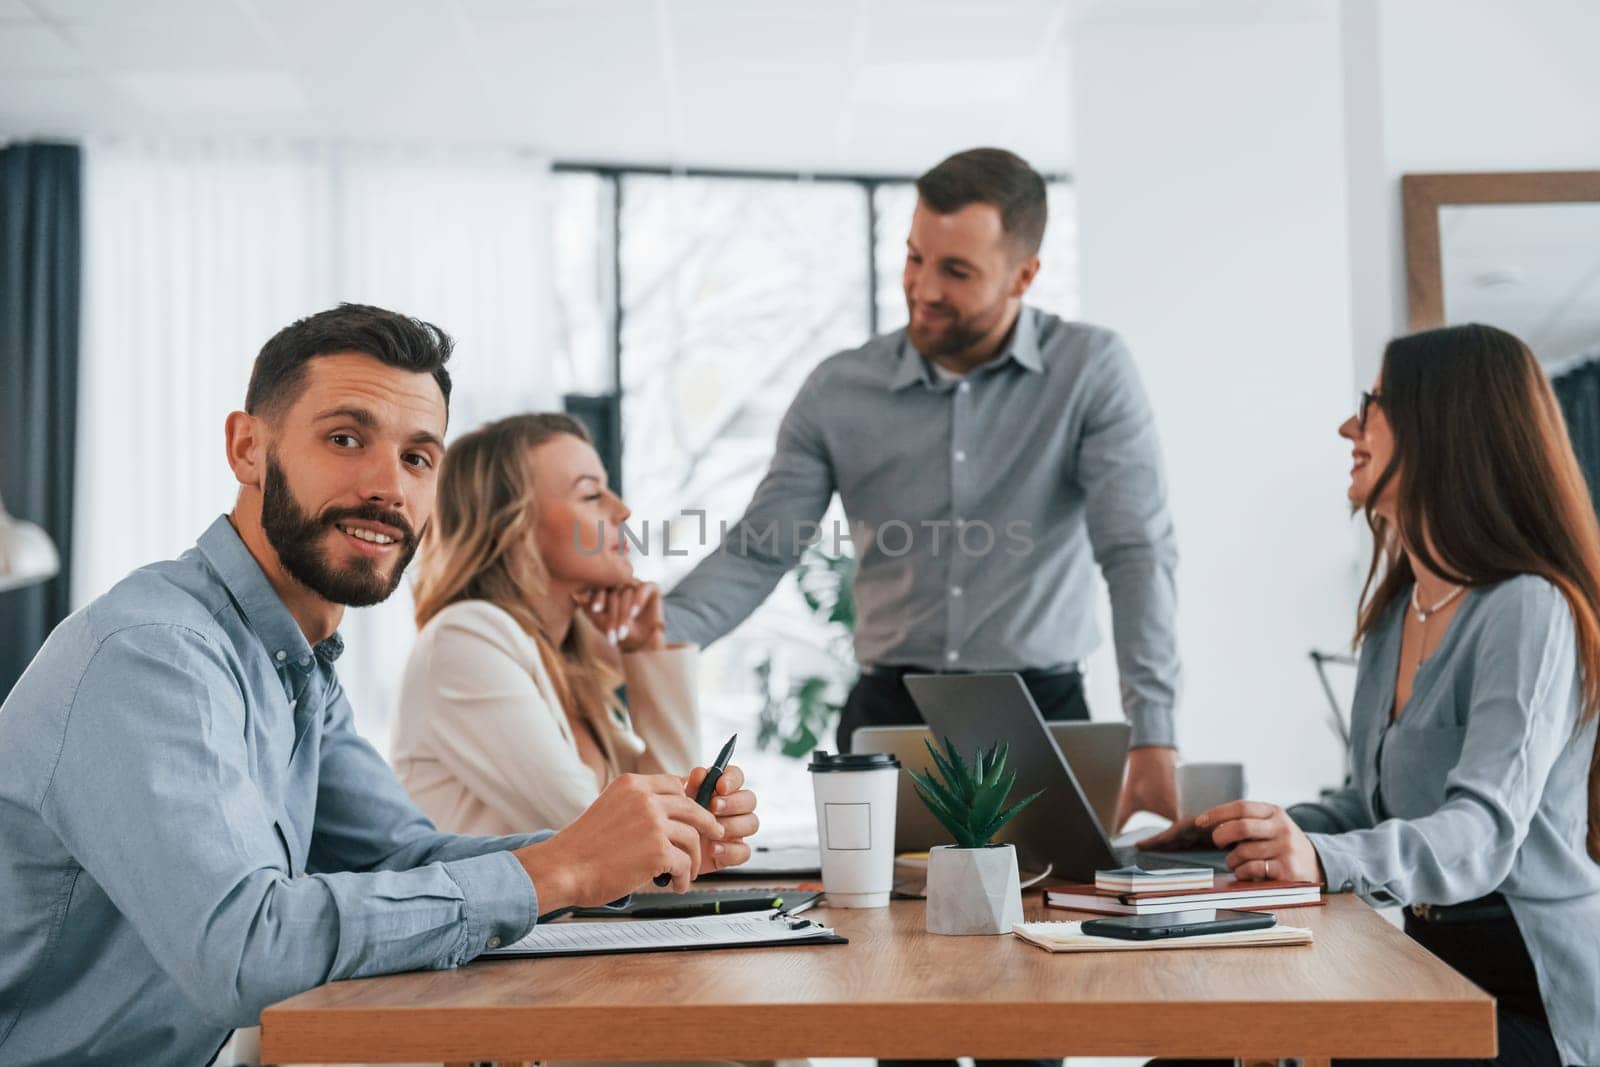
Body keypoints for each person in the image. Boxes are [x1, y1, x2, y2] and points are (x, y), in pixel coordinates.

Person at [0, 305, 758, 1066]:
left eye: (418, 458)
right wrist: (562, 867)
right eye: (345, 439)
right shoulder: (157, 653)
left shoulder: (296, 665)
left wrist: (621, 853)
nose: (388, 486)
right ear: (247, 448)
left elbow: (401, 856)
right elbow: (245, 950)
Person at [654, 147, 1182, 831]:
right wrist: (648, 638)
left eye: (956, 271)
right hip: (890, 713)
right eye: (914, 258)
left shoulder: (1090, 371)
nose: (924, 288)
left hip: (1042, 712)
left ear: (1025, 274)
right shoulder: (841, 389)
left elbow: (1135, 551)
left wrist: (1154, 729)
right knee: (872, 924)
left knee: (1047, 919)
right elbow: (761, 551)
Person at [1142, 324, 1600, 1067]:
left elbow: (1483, 830)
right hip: (1427, 977)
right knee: (1191, 1051)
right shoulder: (1397, 611)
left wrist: (1319, 857)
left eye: (1374, 405)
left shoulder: (1527, 606)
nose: (1347, 427)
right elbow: (1371, 804)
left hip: (1534, 1003)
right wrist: (1258, 835)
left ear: (1442, 425)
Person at [394, 413, 701, 835]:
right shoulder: (465, 639)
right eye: (591, 495)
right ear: (514, 526)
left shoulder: (562, 662)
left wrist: (646, 652)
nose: (622, 510)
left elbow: (684, 818)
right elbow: (614, 839)